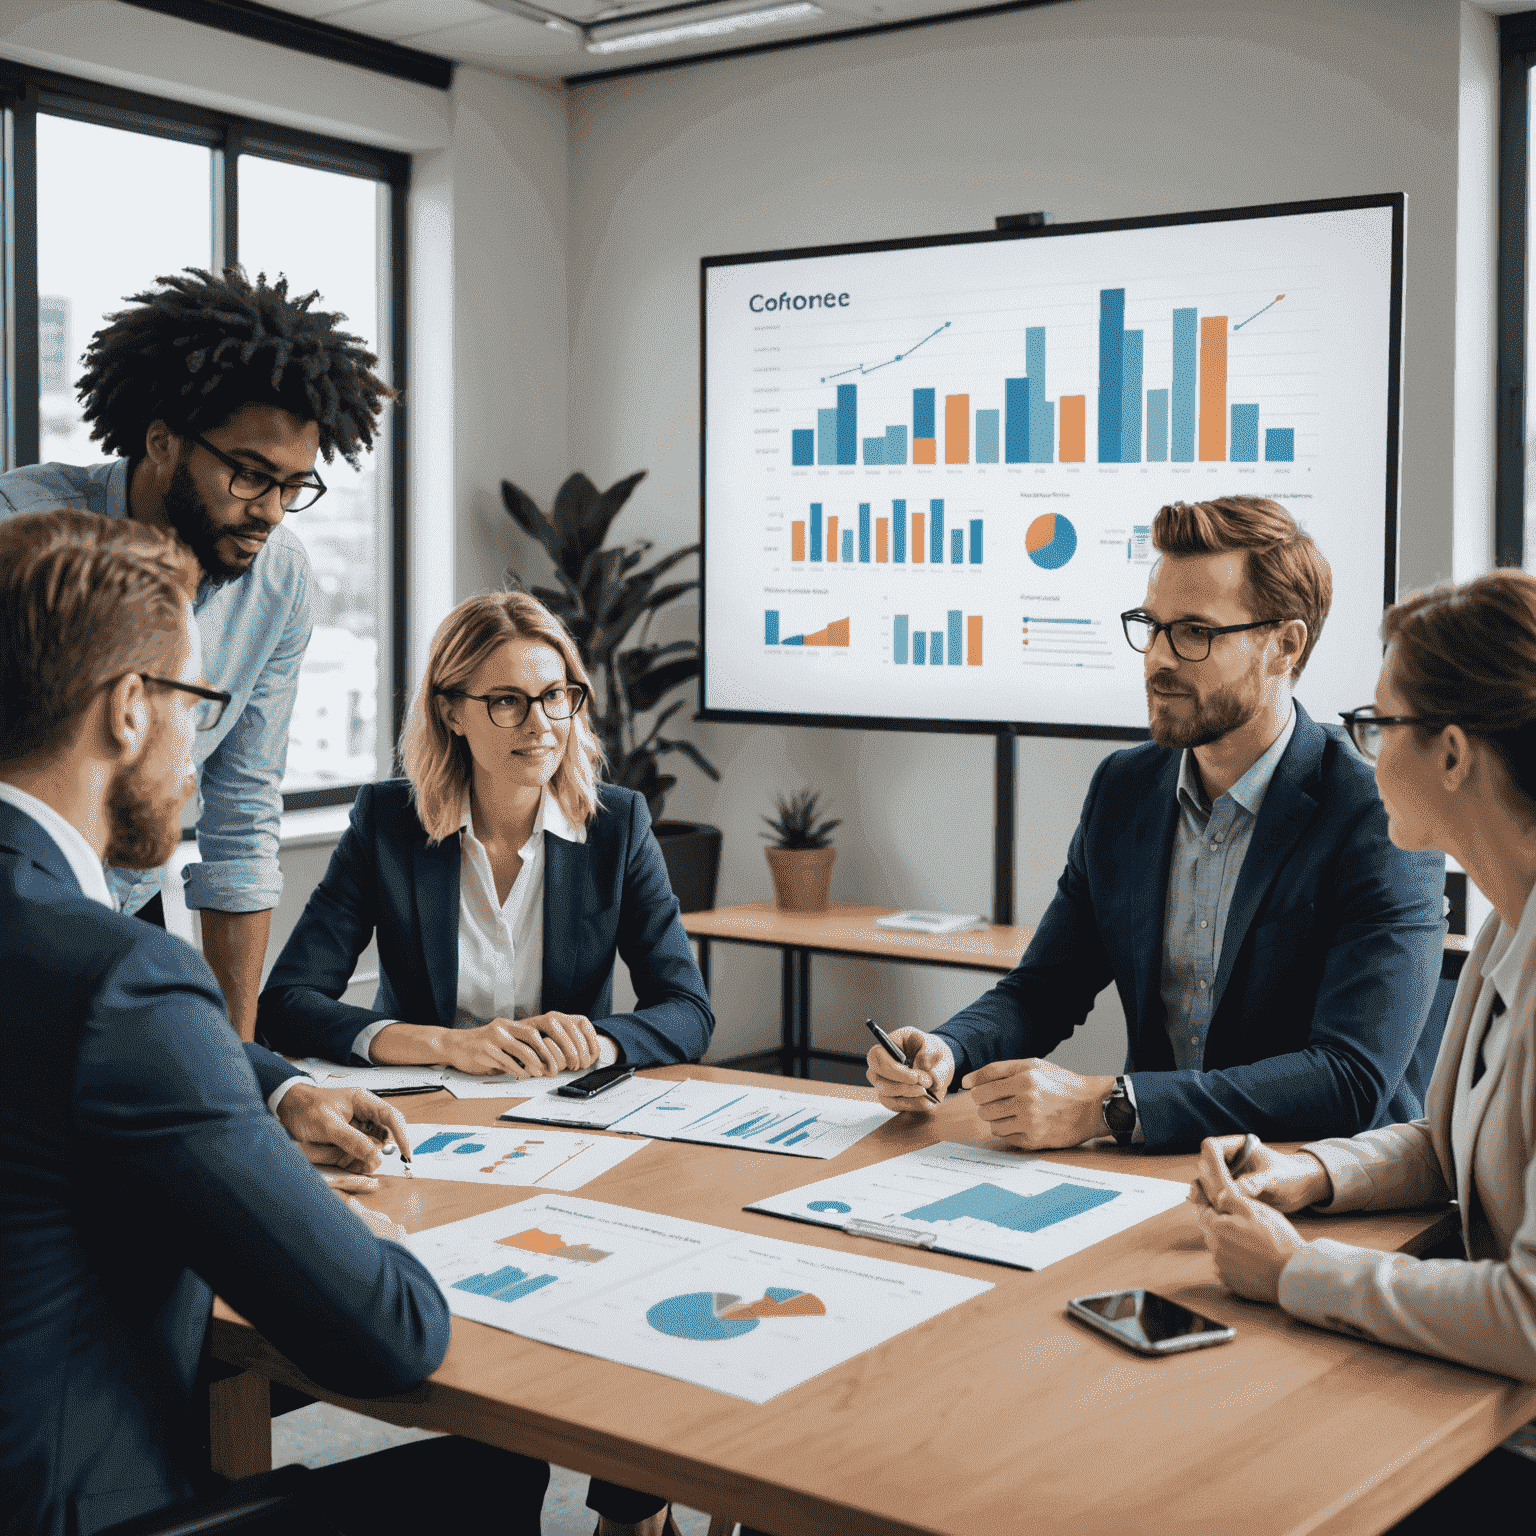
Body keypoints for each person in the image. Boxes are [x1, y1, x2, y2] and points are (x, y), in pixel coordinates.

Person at [0, 509, 572, 1536]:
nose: (201, 749)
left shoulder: (85, 969)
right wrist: (337, 1230)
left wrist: (276, 1086)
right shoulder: (125, 977)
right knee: (494, 1474)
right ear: (130, 710)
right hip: (80, 1506)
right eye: (196, 702)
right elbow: (388, 1335)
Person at [257, 587, 712, 1536]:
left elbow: (687, 1010)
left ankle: (631, 1515)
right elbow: (289, 1000)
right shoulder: (389, 824)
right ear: (451, 709)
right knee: (487, 1336)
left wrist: (601, 1038)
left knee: (626, 1292)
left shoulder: (618, 825)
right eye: (505, 700)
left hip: (574, 1131)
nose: (537, 723)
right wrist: (442, 1044)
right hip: (433, 1138)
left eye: (556, 697)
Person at [867, 495, 1447, 1152]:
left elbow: (1350, 1077)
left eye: (1195, 632)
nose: (1157, 658)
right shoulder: (1125, 789)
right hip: (1159, 1171)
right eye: (1152, 624)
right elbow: (1047, 987)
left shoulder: (1373, 812)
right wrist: (949, 1048)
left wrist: (1106, 1104)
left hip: (1322, 1182)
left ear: (1284, 645)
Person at [1191, 569, 1536, 1530]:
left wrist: (1294, 1271)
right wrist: (1308, 1173)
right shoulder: (1509, 922)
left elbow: (1531, 1316)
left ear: (1455, 753)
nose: (1366, 755)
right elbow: (1445, 1143)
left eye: (1379, 726)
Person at [0, 267, 393, 1040]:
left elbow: (242, 818)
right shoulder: (23, 534)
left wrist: (242, 1068)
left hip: (123, 897)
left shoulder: (278, 584)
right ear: (162, 440)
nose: (271, 513)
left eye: (294, 486)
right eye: (249, 475)